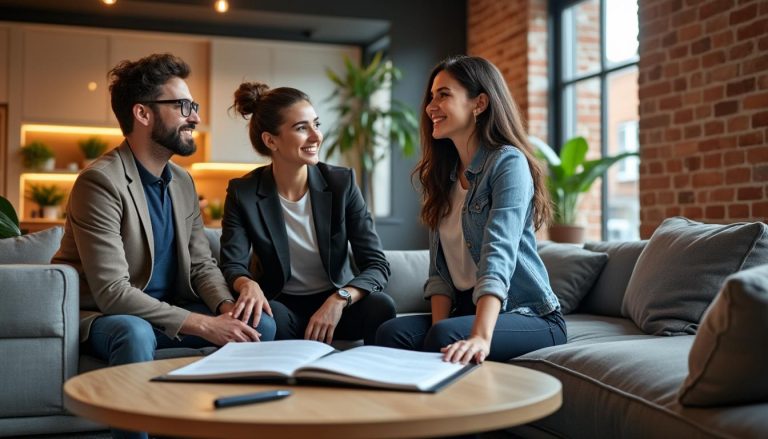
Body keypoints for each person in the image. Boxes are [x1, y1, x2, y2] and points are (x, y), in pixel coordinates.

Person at [52, 53, 276, 369]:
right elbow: (113, 292)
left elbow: (201, 265)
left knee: (259, 324)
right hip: (107, 315)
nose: (194, 117)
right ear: (143, 113)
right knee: (135, 333)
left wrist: (226, 307)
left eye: (194, 106)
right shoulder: (100, 182)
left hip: (170, 307)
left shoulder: (183, 181)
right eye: (182, 106)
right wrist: (203, 325)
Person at [375, 55, 566, 364]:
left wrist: (479, 336)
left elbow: (498, 252)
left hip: (528, 314)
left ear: (479, 103)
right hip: (465, 310)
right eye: (431, 97)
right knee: (390, 333)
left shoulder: (508, 163)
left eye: (443, 95)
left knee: (444, 336)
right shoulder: (443, 177)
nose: (430, 107)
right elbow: (439, 275)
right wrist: (436, 330)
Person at [219, 82, 395, 346]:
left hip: (336, 304)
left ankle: (370, 369)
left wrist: (340, 299)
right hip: (281, 306)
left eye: (316, 124)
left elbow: (376, 264)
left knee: (381, 306)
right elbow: (232, 264)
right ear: (271, 140)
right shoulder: (243, 192)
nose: (316, 136)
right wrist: (247, 284)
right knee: (263, 318)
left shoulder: (342, 183)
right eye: (302, 128)